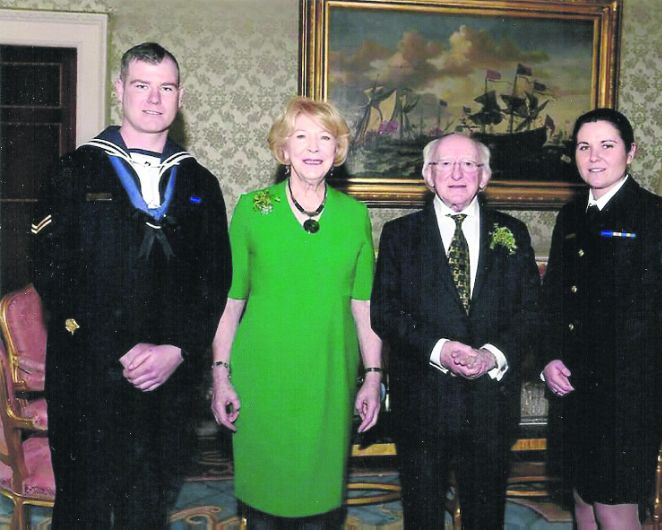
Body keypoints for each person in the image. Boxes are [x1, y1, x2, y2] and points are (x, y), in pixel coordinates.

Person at [31, 42, 231, 528]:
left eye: (166, 87)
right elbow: (51, 272)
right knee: (84, 509)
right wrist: (117, 348)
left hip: (167, 380)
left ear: (180, 97)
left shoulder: (199, 182)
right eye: (141, 85)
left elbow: (215, 280)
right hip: (89, 374)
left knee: (148, 506)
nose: (154, 98)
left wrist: (179, 350)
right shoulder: (74, 170)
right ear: (120, 89)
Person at [211, 96, 382, 529]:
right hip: (262, 376)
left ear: (337, 150)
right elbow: (231, 302)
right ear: (283, 149)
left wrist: (374, 377)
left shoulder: (355, 215)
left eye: (325, 137)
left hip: (329, 376)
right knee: (265, 504)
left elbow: (364, 306)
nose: (313, 146)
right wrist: (220, 374)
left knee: (321, 504)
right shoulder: (253, 209)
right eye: (300, 136)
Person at [371, 133, 541, 529]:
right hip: (423, 402)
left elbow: (532, 311)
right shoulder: (399, 235)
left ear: (485, 177)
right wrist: (440, 349)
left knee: (486, 515)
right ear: (428, 175)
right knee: (422, 512)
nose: (457, 173)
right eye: (445, 164)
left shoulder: (513, 232)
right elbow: (385, 313)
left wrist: (493, 355)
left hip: (490, 402)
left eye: (469, 165)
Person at [541, 108, 662, 529]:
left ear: (631, 152)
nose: (594, 157)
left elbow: (648, 309)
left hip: (625, 391)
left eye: (607, 145)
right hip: (571, 386)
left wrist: (585, 370)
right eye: (584, 147)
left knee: (615, 506)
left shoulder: (655, 213)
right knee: (583, 498)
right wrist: (549, 358)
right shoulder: (571, 216)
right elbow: (554, 299)